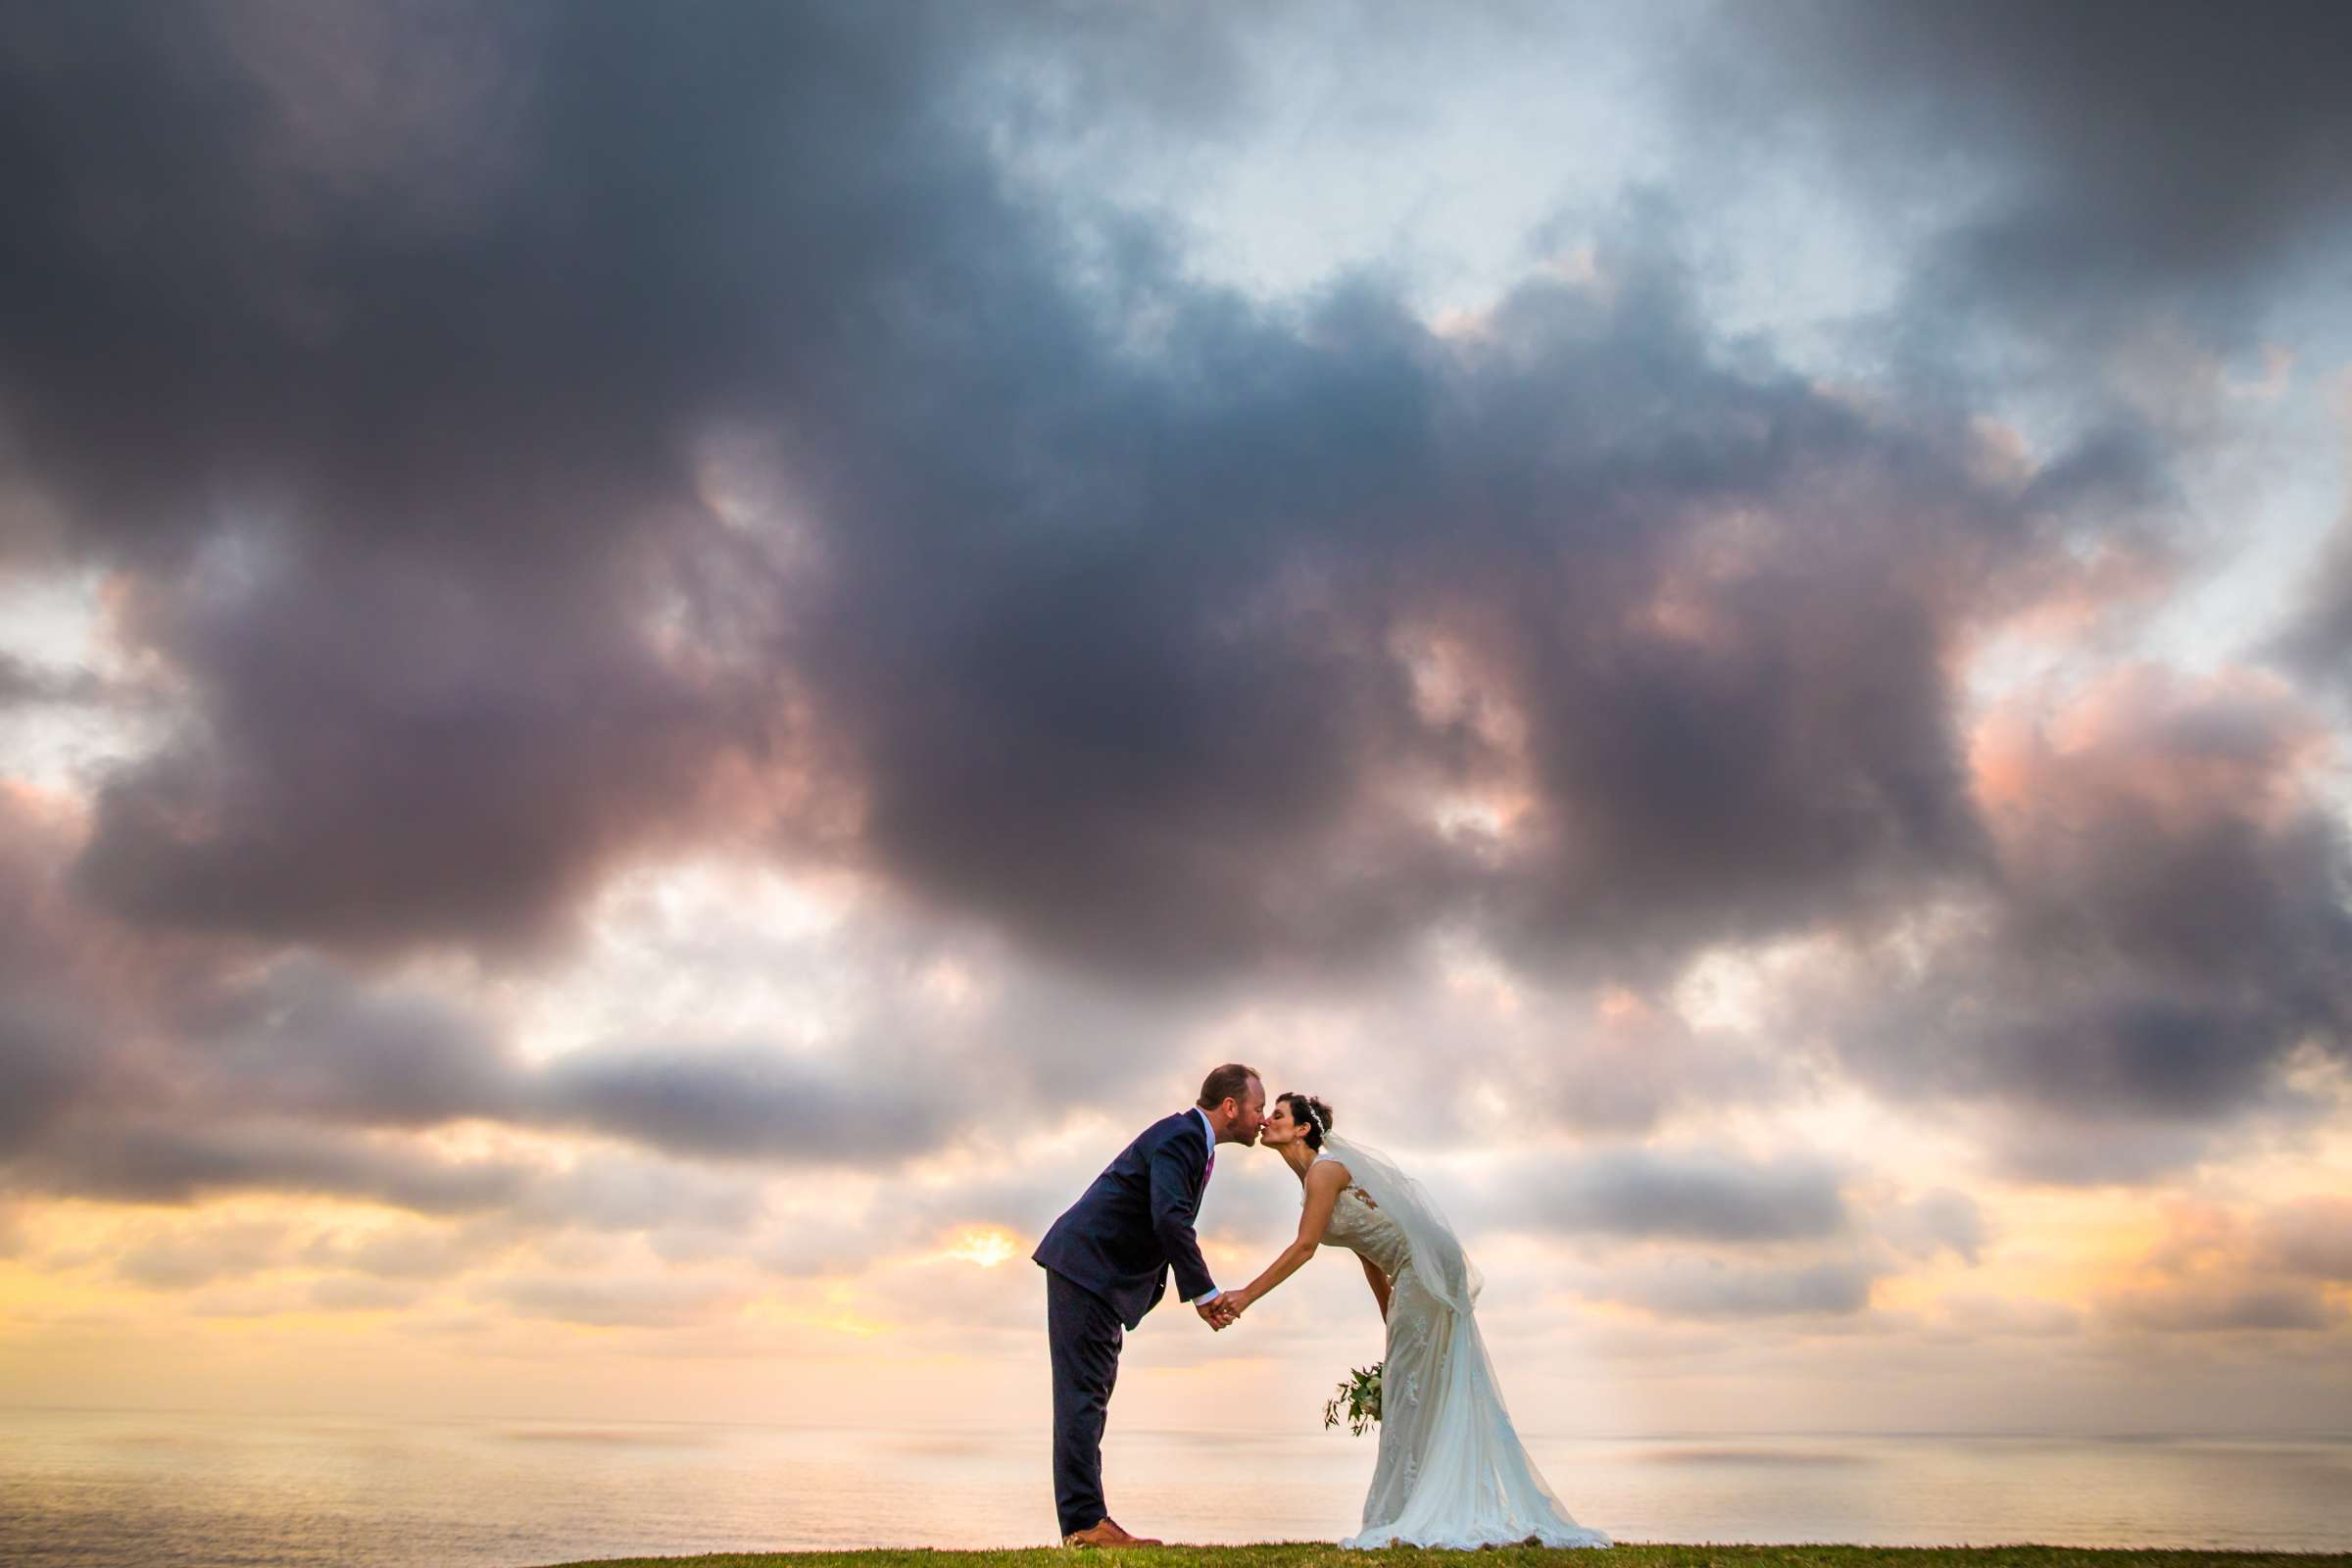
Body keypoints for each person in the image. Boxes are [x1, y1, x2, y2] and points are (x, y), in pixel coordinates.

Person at [1213, 1093, 1610, 1550]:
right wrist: (1390, 1316)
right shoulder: (1315, 1179)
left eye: (1277, 1115)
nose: (1266, 1121)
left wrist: (1245, 1296)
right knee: (1414, 1380)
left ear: (1303, 1129)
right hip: (1418, 1268)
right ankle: (1417, 1503)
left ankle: (1413, 1512)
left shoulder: (1325, 1170)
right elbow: (1368, 1251)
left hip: (1423, 1266)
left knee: (1408, 1385)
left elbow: (1305, 1247)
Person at [1032, 1063, 1267, 1548]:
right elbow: (1169, 1218)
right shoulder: (1181, 1137)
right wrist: (1204, 1293)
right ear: (1230, 1107)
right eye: (1258, 1108)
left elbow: (1164, 1217)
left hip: (1094, 1273)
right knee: (1082, 1397)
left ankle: (1086, 1521)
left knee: (1088, 1396)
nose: (1262, 1119)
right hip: (1088, 1269)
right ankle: (1084, 1524)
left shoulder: (1189, 1140)